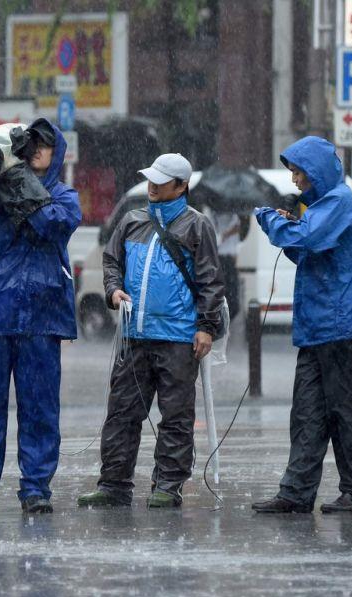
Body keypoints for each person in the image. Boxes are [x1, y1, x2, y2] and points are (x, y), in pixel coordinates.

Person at [77, 153, 224, 509]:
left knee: (175, 415)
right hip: (134, 335)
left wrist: (205, 327)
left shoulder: (197, 226)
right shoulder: (131, 221)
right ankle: (113, 484)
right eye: (151, 179)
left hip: (177, 337)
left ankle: (168, 486)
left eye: (161, 180)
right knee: (122, 412)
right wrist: (113, 291)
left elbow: (210, 280)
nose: (153, 186)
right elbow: (111, 261)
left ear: (181, 186)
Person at [251, 136, 352, 514]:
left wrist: (270, 220)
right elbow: (306, 249)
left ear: (316, 172)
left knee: (349, 413)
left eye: (298, 172)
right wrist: (283, 228)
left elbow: (307, 238)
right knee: (307, 414)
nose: (294, 179)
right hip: (319, 327)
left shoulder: (339, 202)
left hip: (344, 326)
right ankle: (296, 493)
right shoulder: (324, 206)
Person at [0, 118, 81, 514]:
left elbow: (51, 225)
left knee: (40, 408)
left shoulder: (65, 196)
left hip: (42, 317)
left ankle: (36, 488)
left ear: (56, 151)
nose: (38, 149)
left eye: (45, 144)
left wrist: (18, 183)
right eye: (32, 143)